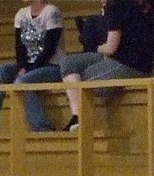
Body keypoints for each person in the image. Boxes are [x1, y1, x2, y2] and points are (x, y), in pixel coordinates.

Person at [0, 0, 66, 134]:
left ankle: (41, 128)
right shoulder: (21, 14)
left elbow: (49, 48)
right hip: (28, 66)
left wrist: (28, 70)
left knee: (22, 82)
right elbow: (20, 47)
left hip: (52, 66)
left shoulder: (52, 11)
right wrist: (22, 67)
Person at [60, 0, 154, 130]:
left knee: (79, 85)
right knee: (69, 63)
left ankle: (82, 122)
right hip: (131, 59)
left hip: (129, 63)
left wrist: (96, 47)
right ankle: (77, 117)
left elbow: (110, 48)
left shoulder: (116, 5)